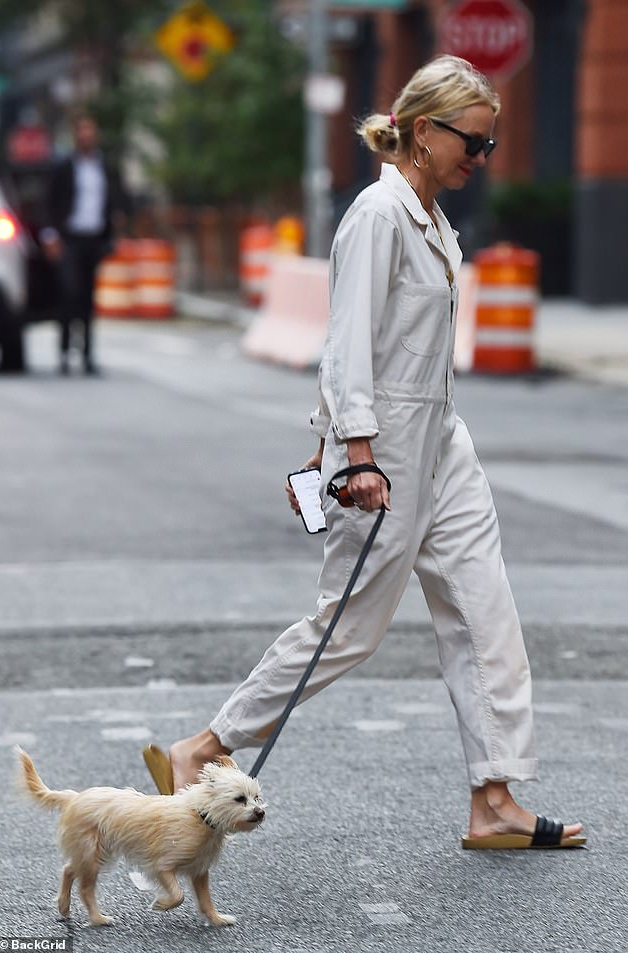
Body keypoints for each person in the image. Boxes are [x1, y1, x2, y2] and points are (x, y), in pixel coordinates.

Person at [145, 56, 584, 849]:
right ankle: (204, 747)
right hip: (385, 444)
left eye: (490, 146)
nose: (480, 161)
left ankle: (494, 798)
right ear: (424, 131)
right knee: (348, 627)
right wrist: (351, 453)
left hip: (444, 439)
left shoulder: (431, 215)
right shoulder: (378, 216)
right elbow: (346, 346)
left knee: (487, 612)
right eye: (472, 145)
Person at [42, 113, 127, 375]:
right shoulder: (63, 165)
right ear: (76, 135)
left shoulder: (105, 167)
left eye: (91, 130)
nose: (86, 135)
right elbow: (48, 203)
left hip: (94, 239)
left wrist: (114, 230)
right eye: (82, 130)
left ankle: (89, 356)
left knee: (89, 299)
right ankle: (65, 354)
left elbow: (117, 200)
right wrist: (50, 236)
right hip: (69, 238)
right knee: (69, 295)